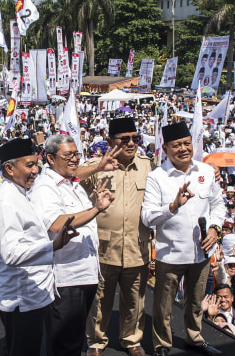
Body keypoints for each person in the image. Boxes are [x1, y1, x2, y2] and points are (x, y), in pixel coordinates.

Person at [0, 138, 79, 356]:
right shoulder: (5, 202)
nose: (36, 171)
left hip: (33, 297)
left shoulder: (19, 192)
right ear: (9, 168)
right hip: (21, 300)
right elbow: (11, 254)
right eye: (29, 165)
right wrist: (52, 246)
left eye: (36, 164)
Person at [141, 122, 226, 356]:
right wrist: (173, 206)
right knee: (163, 305)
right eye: (176, 145)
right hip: (170, 253)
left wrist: (215, 229)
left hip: (202, 252)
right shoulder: (157, 177)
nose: (183, 149)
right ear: (166, 148)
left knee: (196, 302)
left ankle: (195, 337)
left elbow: (218, 205)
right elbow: (147, 217)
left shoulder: (206, 171)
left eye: (187, 143)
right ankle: (161, 344)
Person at [29, 134, 114, 356]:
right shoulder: (44, 188)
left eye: (76, 154)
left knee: (75, 339)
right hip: (66, 280)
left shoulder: (70, 182)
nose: (75, 159)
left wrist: (98, 167)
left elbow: (76, 173)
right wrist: (96, 209)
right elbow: (57, 223)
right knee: (64, 343)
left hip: (85, 275)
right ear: (49, 158)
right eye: (68, 155)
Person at [81, 118, 152, 356]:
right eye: (125, 139)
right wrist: (97, 167)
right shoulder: (96, 166)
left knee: (134, 300)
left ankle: (132, 340)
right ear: (111, 141)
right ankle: (96, 342)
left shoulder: (146, 166)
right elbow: (69, 178)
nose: (131, 143)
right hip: (104, 247)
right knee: (100, 299)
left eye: (135, 138)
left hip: (137, 245)